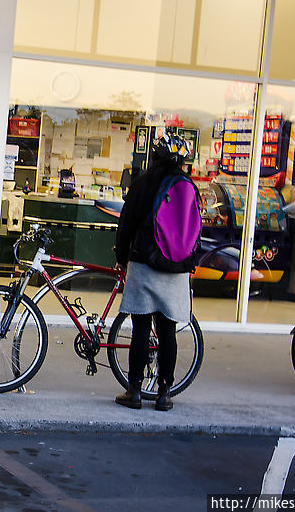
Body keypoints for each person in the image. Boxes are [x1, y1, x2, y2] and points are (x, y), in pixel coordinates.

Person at [113, 131, 195, 412]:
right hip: (175, 268)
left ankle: (134, 391)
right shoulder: (187, 186)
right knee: (167, 331)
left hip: (145, 264)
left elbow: (126, 226)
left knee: (140, 329)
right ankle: (164, 393)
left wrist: (122, 258)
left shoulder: (143, 185)